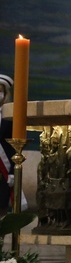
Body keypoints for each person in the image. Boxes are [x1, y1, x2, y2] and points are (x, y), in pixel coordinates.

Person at [0, 75, 14, 215]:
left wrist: (13, 170)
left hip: (4, 166)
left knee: (2, 201)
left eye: (1, 91)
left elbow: (15, 143)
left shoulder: (10, 115)